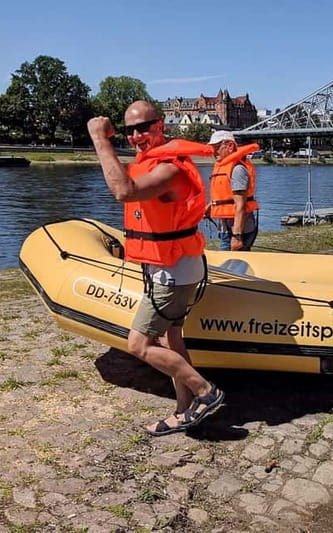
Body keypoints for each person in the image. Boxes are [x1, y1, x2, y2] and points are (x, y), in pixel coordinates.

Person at [87, 100, 225, 436]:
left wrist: (100, 140)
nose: (136, 136)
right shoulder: (152, 163)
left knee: (139, 345)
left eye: (144, 127)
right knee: (173, 341)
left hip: (173, 274)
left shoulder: (171, 169)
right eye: (130, 130)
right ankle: (183, 409)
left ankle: (206, 394)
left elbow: (124, 190)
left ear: (161, 126)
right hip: (170, 267)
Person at [206, 131, 260, 251]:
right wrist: (211, 206)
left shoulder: (237, 169)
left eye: (217, 147)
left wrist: (237, 236)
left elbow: (240, 205)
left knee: (230, 265)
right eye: (212, 148)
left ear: (230, 146)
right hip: (227, 227)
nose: (213, 152)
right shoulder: (222, 167)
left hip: (239, 230)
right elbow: (227, 196)